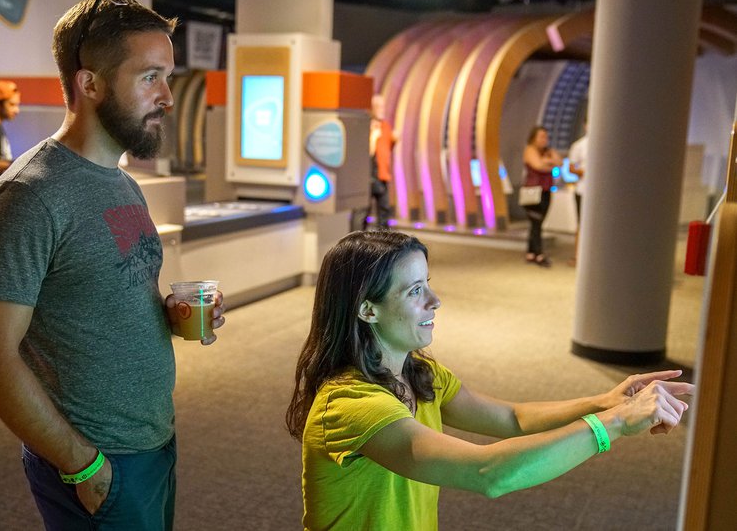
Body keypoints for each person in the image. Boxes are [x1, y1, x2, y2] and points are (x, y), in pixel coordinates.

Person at [0, 0, 225, 530]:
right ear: (90, 84)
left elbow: (123, 286)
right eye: (150, 77)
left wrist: (171, 314)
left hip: (151, 440)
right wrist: (83, 465)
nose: (168, 97)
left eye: (167, 77)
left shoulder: (122, 185)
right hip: (94, 459)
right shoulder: (27, 198)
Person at [286, 230, 693, 531]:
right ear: (367, 311)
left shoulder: (418, 373)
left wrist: (606, 401)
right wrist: (616, 424)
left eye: (428, 283)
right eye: (414, 291)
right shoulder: (350, 404)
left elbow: (513, 418)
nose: (434, 300)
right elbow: (489, 472)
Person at [521, 126, 562, 267]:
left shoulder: (548, 151)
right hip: (532, 192)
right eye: (541, 136)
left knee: (538, 222)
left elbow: (559, 162)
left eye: (546, 136)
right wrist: (548, 163)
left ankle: (531, 251)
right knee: (536, 222)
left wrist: (547, 162)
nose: (544, 139)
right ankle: (538, 253)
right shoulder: (530, 150)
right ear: (534, 137)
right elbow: (537, 165)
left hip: (546, 190)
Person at [360, 94, 398, 230]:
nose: (382, 109)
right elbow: (366, 153)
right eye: (378, 106)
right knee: (363, 211)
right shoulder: (366, 125)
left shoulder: (385, 126)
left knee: (384, 210)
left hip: (382, 175)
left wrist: (394, 140)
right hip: (368, 176)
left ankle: (383, 244)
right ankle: (358, 244)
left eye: (382, 106)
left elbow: (387, 150)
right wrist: (373, 138)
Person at [567, 127, 589, 266]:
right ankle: (578, 256)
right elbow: (571, 167)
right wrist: (582, 172)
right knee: (581, 223)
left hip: (599, 192)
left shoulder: (606, 142)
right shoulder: (579, 145)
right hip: (583, 189)